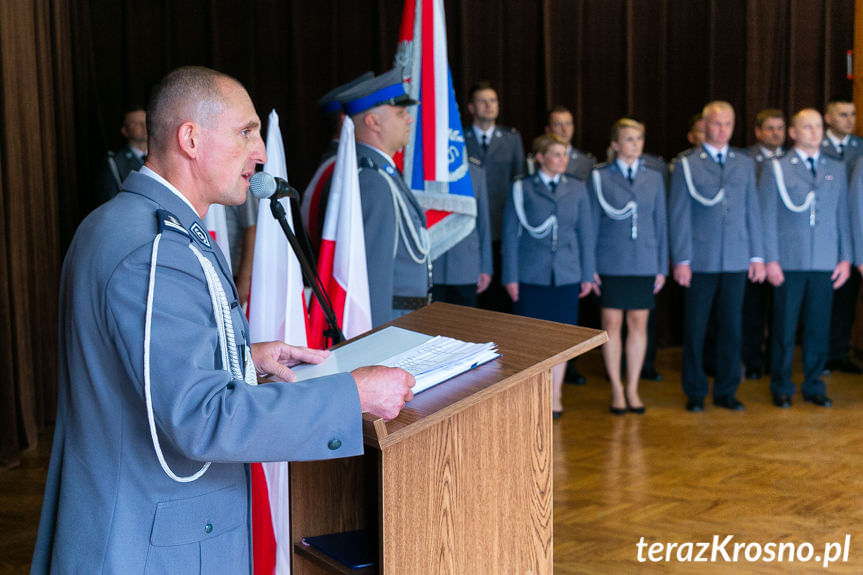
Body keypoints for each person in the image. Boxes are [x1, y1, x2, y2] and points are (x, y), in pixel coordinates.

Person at [31, 66, 415, 573]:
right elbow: (201, 418)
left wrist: (241, 359)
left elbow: (134, 369)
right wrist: (353, 396)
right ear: (189, 138)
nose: (259, 151)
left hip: (139, 523)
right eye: (245, 132)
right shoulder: (156, 248)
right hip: (152, 545)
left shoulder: (128, 223)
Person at [669, 101, 766, 412]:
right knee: (696, 328)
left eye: (728, 124)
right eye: (716, 124)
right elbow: (679, 215)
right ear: (705, 126)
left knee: (732, 327)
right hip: (700, 259)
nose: (722, 130)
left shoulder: (743, 161)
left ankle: (726, 391)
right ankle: (695, 392)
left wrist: (757, 255)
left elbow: (753, 210)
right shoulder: (687, 163)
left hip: (736, 258)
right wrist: (682, 259)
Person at [760, 108, 851, 408]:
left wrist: (845, 257)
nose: (814, 132)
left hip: (825, 260)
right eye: (806, 127)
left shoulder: (835, 168)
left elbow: (843, 216)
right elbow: (767, 217)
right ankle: (782, 384)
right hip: (788, 261)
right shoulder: (777, 167)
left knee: (818, 326)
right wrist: (770, 259)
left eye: (817, 127)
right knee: (784, 328)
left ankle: (814, 384)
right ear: (793, 133)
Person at [502, 134, 595, 418]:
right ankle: (533, 397)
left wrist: (587, 273)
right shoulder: (523, 188)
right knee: (530, 340)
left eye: (564, 154)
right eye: (556, 154)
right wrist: (511, 277)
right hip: (531, 274)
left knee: (562, 339)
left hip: (566, 274)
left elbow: (586, 234)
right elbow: (511, 236)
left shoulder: (577, 189)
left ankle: (555, 396)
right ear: (540, 157)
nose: (562, 160)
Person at [589, 119, 667, 415]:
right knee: (611, 326)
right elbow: (591, 224)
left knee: (638, 325)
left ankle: (633, 387)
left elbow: (661, 224)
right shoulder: (600, 177)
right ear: (615, 145)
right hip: (611, 261)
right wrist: (591, 266)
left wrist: (661, 266)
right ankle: (616, 389)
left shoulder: (654, 177)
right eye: (628, 139)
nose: (634, 144)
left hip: (644, 261)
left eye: (638, 138)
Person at [341, 68, 429, 326]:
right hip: (392, 317)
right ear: (373, 122)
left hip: (405, 313)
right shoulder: (373, 180)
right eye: (401, 113)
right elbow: (373, 272)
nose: (410, 120)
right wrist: (377, 335)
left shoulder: (382, 172)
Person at [464, 80, 526, 313]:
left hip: (502, 227)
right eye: (482, 101)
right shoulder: (460, 138)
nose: (489, 106)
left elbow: (518, 184)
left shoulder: (511, 139)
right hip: (471, 227)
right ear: (471, 107)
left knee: (500, 299)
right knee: (473, 295)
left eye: (493, 100)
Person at [739, 109, 786, 380]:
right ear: (758, 132)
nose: (775, 133)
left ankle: (774, 361)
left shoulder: (792, 160)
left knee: (780, 310)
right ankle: (752, 361)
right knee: (753, 309)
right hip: (752, 248)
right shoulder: (745, 159)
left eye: (780, 128)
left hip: (782, 249)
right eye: (769, 128)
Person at [821, 98, 863, 374]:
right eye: (843, 114)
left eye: (853, 114)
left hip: (854, 230)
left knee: (847, 300)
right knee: (823, 301)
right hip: (824, 232)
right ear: (828, 117)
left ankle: (839, 352)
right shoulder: (815, 146)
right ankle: (819, 355)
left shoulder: (859, 147)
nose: (850, 119)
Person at [431, 157, 493, 306]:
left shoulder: (475, 172)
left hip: (465, 265)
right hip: (432, 261)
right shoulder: (419, 170)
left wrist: (485, 267)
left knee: (463, 324)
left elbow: (483, 222)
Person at [95, 106, 148, 204]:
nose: (144, 126)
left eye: (146, 121)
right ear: (125, 131)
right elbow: (109, 201)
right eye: (136, 123)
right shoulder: (114, 162)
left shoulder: (163, 157)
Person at [527, 105, 595, 181]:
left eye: (568, 124)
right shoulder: (533, 160)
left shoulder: (586, 161)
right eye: (558, 124)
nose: (564, 129)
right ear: (548, 129)